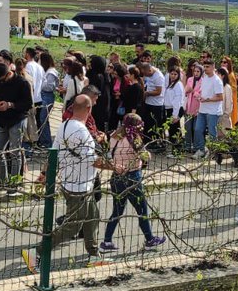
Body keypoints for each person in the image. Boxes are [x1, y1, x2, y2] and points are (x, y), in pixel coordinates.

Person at [22, 95, 104, 271]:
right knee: (71, 228)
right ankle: (36, 252)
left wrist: (44, 173)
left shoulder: (64, 125)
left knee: (92, 217)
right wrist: (116, 167)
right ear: (89, 110)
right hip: (79, 187)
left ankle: (94, 254)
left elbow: (55, 152)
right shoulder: (82, 131)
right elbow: (93, 160)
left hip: (74, 182)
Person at [100, 113, 164, 251]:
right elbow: (145, 156)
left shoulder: (114, 136)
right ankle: (150, 239)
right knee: (142, 210)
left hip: (116, 176)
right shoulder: (134, 139)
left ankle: (107, 241)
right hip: (133, 176)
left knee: (117, 211)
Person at [0, 61, 31, 190]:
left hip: (17, 120)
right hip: (2, 120)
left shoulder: (22, 83)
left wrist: (10, 105)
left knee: (14, 152)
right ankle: (3, 179)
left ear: (8, 73)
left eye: (3, 79)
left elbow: (28, 104)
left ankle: (14, 183)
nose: (1, 82)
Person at [194, 59, 225, 158]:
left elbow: (220, 97)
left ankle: (213, 152)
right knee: (198, 129)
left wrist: (207, 99)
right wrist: (198, 95)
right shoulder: (204, 77)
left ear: (213, 67)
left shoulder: (217, 80)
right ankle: (201, 150)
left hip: (213, 111)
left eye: (208, 67)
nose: (205, 69)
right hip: (202, 109)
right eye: (204, 66)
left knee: (212, 132)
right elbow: (203, 91)